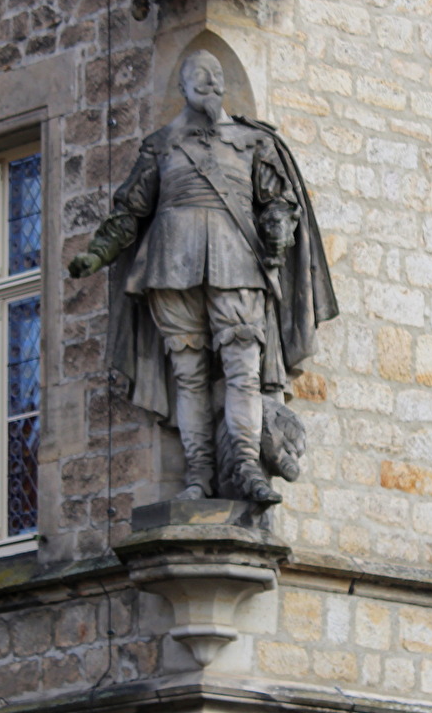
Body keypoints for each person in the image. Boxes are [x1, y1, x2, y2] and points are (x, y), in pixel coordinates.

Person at [69, 50, 337, 504]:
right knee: (189, 377)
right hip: (171, 262)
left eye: (215, 75)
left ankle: (248, 465)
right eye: (197, 75)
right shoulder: (160, 145)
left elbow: (279, 200)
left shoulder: (254, 142)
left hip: (237, 259)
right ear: (182, 86)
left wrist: (278, 229)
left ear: (224, 84)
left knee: (242, 372)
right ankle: (197, 475)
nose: (208, 82)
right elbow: (130, 212)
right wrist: (96, 255)